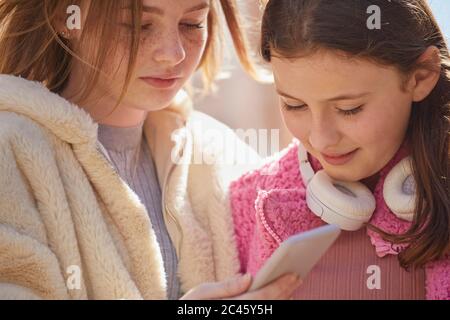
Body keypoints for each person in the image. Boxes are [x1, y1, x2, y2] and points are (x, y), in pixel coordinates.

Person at [0, 0, 300, 299]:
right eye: (138, 26)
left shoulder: (217, 150)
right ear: (65, 17)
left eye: (192, 23)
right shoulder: (11, 154)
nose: (173, 53)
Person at [230, 0, 449, 299]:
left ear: (421, 76)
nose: (321, 140)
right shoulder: (244, 201)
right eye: (294, 105)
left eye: (350, 109)